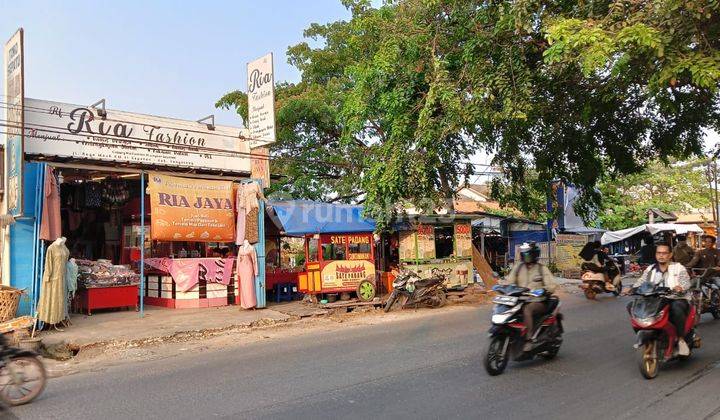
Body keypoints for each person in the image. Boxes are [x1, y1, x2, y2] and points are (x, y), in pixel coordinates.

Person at [630, 243, 693, 356]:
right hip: (655, 299)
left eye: (664, 253)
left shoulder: (678, 267)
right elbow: (641, 281)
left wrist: (680, 287)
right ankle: (644, 332)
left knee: (677, 309)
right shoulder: (650, 269)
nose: (661, 256)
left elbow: (686, 282)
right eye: (659, 253)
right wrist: (631, 288)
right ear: (655, 255)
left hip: (675, 298)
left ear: (670, 255)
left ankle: (681, 340)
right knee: (631, 306)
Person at [505, 242, 557, 351]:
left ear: (534, 255)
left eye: (528, 255)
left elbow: (552, 285)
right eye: (524, 255)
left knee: (527, 309)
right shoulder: (518, 267)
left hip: (538, 301)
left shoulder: (541, 269)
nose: (526, 257)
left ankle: (529, 339)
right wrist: (502, 286)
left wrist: (544, 290)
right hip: (520, 299)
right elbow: (509, 282)